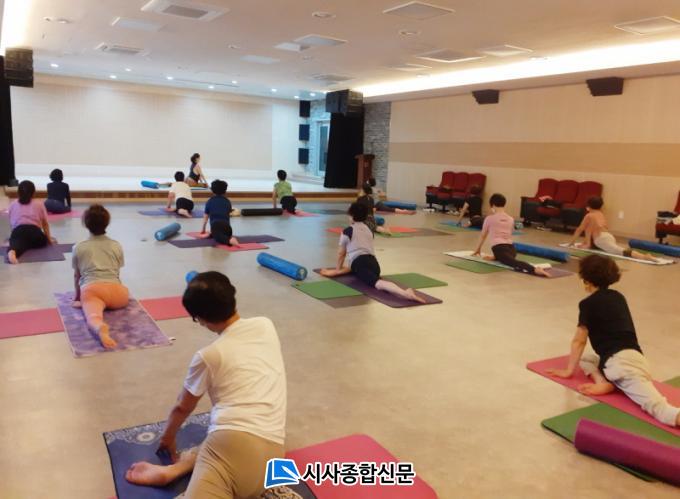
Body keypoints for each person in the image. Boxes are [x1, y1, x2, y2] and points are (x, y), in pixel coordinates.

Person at [125, 271, 287, 497]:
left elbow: (182, 407)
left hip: (232, 447)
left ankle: (174, 471)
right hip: (275, 460)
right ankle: (177, 469)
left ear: (200, 319)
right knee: (217, 444)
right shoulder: (265, 325)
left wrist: (168, 438)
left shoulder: (209, 355)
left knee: (221, 442)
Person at [548, 255, 680, 426]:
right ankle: (605, 382)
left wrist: (568, 371)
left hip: (622, 366)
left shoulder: (587, 304)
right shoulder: (618, 296)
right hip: (634, 359)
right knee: (587, 359)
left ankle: (611, 382)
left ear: (586, 281)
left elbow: (579, 341)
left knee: (661, 410)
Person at [320, 202, 425, 303]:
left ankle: (405, 294)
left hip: (359, 263)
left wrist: (337, 271)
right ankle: (404, 292)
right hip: (374, 264)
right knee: (362, 271)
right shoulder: (368, 229)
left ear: (351, 216)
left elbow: (341, 254)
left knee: (378, 283)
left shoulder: (347, 231)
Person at [71, 204, 128, 349]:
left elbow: (77, 276)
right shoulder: (116, 245)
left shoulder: (79, 247)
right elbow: (117, 272)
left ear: (86, 224)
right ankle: (103, 315)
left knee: (93, 316)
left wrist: (77, 298)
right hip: (120, 295)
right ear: (107, 223)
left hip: (93, 290)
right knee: (114, 289)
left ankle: (99, 326)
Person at [473, 193, 550, 277]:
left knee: (513, 263)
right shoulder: (511, 219)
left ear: (493, 205)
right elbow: (513, 231)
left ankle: (535, 269)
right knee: (507, 258)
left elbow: (483, 235)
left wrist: (478, 249)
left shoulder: (489, 218)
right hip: (512, 250)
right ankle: (497, 257)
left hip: (499, 249)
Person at [567, 196, 660, 262]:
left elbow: (580, 229)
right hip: (609, 236)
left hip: (601, 239)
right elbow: (592, 229)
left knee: (620, 251)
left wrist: (571, 242)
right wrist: (587, 243)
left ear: (588, 206)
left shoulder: (589, 215)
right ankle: (588, 244)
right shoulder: (600, 214)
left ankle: (644, 257)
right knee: (615, 247)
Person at [6, 180, 55, 264]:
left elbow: (12, 223)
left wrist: (13, 237)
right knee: (40, 241)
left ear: (18, 192)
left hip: (18, 231)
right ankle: (21, 245)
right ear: (33, 193)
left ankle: (13, 250)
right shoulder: (39, 204)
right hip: (35, 234)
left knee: (19, 241)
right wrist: (49, 239)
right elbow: (45, 224)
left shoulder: (13, 204)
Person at [201, 180, 237, 246]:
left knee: (217, 238)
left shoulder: (209, 202)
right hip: (228, 228)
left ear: (212, 190)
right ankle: (213, 234)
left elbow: (205, 219)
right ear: (225, 191)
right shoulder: (227, 201)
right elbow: (227, 215)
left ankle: (229, 241)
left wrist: (203, 230)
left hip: (216, 226)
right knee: (218, 233)